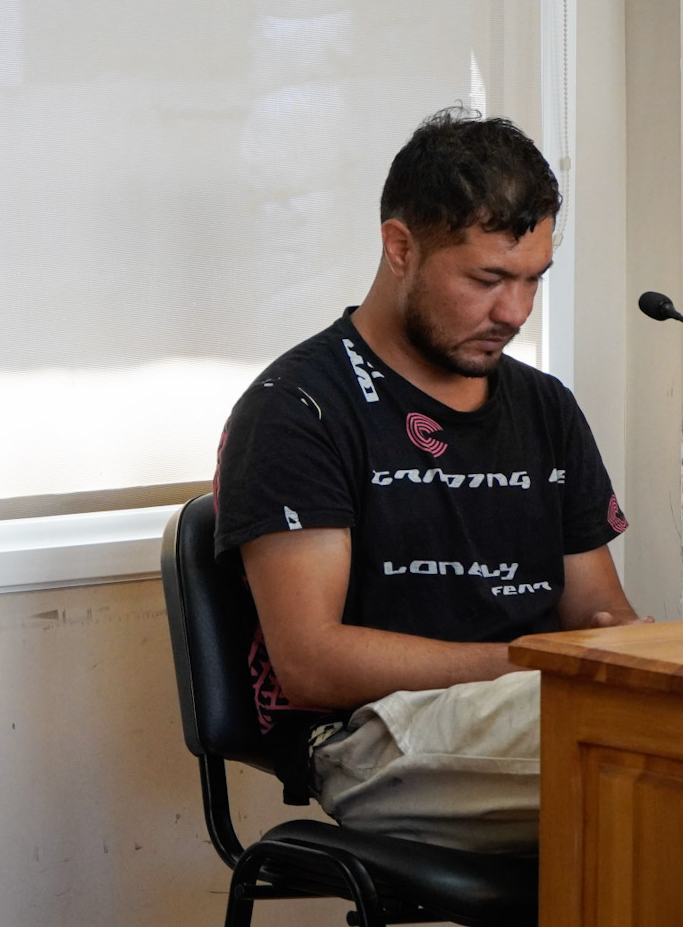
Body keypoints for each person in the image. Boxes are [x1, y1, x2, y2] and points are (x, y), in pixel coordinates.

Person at [212, 108, 647, 853]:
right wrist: (536, 663)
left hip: (534, 702)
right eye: (487, 279)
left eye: (533, 281)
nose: (515, 312)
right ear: (400, 247)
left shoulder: (546, 407)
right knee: (672, 757)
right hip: (374, 735)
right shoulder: (297, 408)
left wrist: (630, 657)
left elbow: (599, 613)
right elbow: (311, 663)